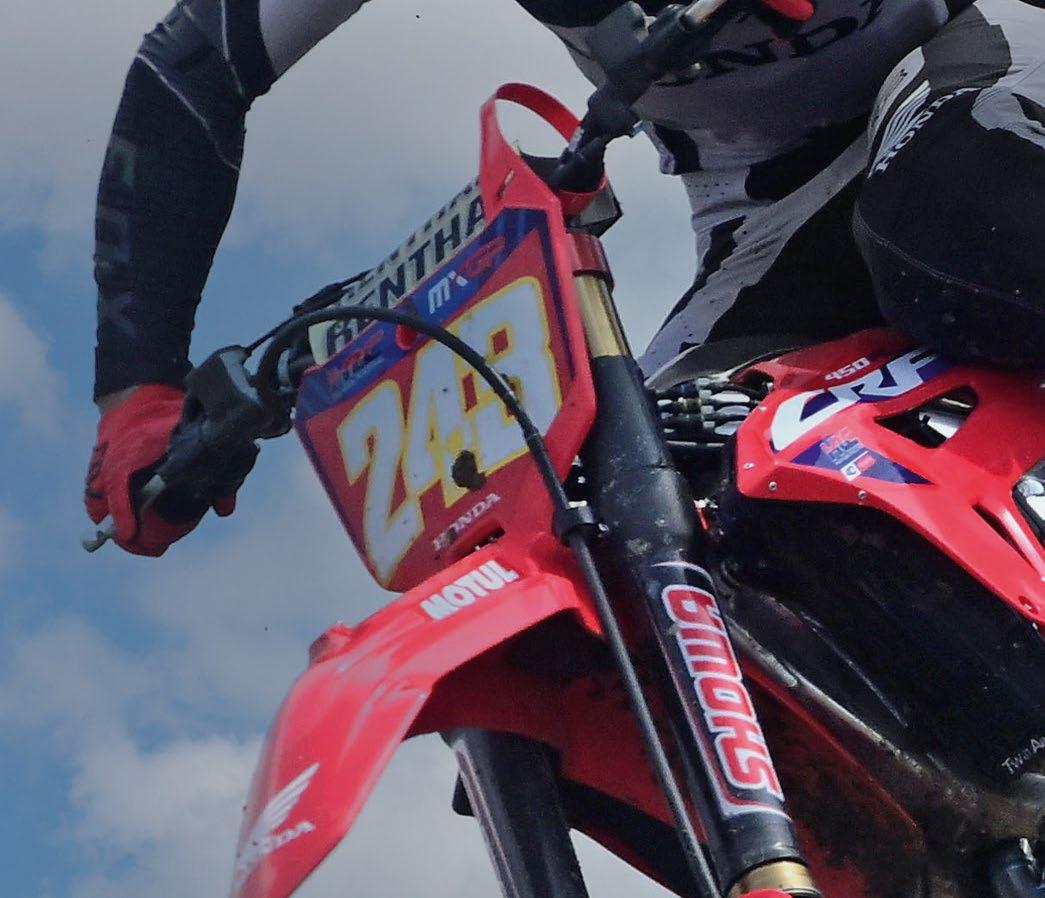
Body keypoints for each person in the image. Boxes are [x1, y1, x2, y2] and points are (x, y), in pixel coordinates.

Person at [85, 0, 1045, 556]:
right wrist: (137, 393)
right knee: (638, 505)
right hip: (767, 212)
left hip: (989, 54)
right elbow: (188, 72)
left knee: (945, 206)